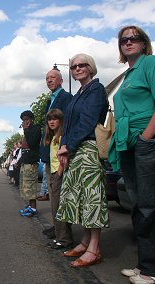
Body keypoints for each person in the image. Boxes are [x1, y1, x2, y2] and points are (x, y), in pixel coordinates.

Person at [109, 25, 155, 284]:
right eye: (123, 40)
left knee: (152, 206)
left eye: (133, 38)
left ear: (143, 42)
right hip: (130, 142)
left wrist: (146, 136)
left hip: (148, 140)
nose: (128, 42)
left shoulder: (153, 64)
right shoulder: (128, 74)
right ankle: (151, 265)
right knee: (140, 206)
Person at [56, 53, 109, 267]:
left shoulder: (96, 89)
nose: (77, 68)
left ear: (90, 67)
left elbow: (87, 121)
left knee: (91, 197)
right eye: (73, 66)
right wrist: (64, 147)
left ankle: (95, 249)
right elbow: (67, 125)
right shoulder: (79, 92)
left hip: (87, 148)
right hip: (75, 149)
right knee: (78, 197)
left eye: (81, 65)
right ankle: (86, 242)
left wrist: (69, 145)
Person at [40, 68, 73, 238]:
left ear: (60, 80)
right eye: (47, 78)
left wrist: (64, 146)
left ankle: (63, 233)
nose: (49, 80)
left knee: (59, 196)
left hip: (60, 153)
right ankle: (57, 227)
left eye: (52, 78)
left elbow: (68, 123)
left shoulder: (65, 98)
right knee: (54, 197)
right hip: (50, 153)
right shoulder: (50, 99)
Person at [43, 109, 73, 250]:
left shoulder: (62, 137)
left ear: (61, 121)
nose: (52, 122)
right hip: (54, 174)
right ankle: (60, 236)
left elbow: (63, 159)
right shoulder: (53, 137)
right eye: (49, 119)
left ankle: (64, 239)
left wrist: (58, 175)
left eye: (55, 119)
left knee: (58, 208)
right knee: (56, 207)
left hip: (59, 174)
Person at [18, 110, 41, 217]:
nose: (24, 122)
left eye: (26, 119)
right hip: (25, 162)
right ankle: (30, 206)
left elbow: (32, 143)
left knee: (31, 186)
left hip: (31, 162)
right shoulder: (27, 130)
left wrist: (26, 130)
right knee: (25, 186)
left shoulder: (36, 129)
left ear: (32, 120)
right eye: (23, 120)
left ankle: (33, 208)